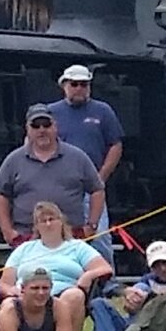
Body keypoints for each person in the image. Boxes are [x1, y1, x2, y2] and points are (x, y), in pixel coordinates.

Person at [0, 105, 105, 245]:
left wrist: (92, 226)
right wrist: (7, 231)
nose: (41, 130)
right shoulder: (13, 160)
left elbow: (97, 190)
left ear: (55, 127)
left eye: (46, 125)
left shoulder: (78, 157)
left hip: (71, 238)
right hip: (27, 238)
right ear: (27, 129)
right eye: (36, 126)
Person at [0, 200, 110, 331]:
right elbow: (4, 283)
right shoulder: (24, 249)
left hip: (63, 293)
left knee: (75, 295)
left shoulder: (77, 246)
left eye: (51, 219)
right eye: (42, 221)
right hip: (26, 296)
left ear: (61, 222)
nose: (48, 224)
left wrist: (88, 275)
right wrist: (10, 291)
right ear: (37, 227)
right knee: (8, 305)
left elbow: (105, 268)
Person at [49, 67, 123, 239]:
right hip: (60, 186)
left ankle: (103, 266)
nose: (79, 88)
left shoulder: (103, 111)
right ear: (64, 85)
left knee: (100, 237)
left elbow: (115, 145)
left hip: (91, 186)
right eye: (74, 84)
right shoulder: (50, 112)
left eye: (84, 84)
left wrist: (101, 177)